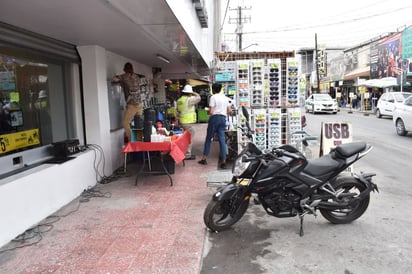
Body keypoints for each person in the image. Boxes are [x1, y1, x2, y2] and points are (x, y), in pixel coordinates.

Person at [198, 83, 231, 169]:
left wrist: (208, 111)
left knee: (209, 138)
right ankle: (223, 161)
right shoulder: (225, 98)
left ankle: (204, 158)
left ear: (213, 89)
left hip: (214, 119)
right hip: (223, 119)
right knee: (222, 140)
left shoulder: (213, 97)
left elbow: (211, 111)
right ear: (220, 89)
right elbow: (229, 110)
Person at [112, 62, 145, 142]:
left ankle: (132, 140)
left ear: (125, 69)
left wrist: (118, 77)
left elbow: (114, 79)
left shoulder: (125, 76)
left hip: (132, 104)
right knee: (138, 123)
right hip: (140, 103)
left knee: (125, 123)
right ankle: (138, 140)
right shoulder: (136, 76)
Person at [176, 84, 201, 159]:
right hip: (187, 121)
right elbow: (199, 98)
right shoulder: (189, 100)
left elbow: (177, 111)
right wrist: (194, 93)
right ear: (190, 93)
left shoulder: (179, 100)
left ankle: (183, 152)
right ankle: (187, 154)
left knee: (184, 137)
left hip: (182, 120)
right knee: (190, 136)